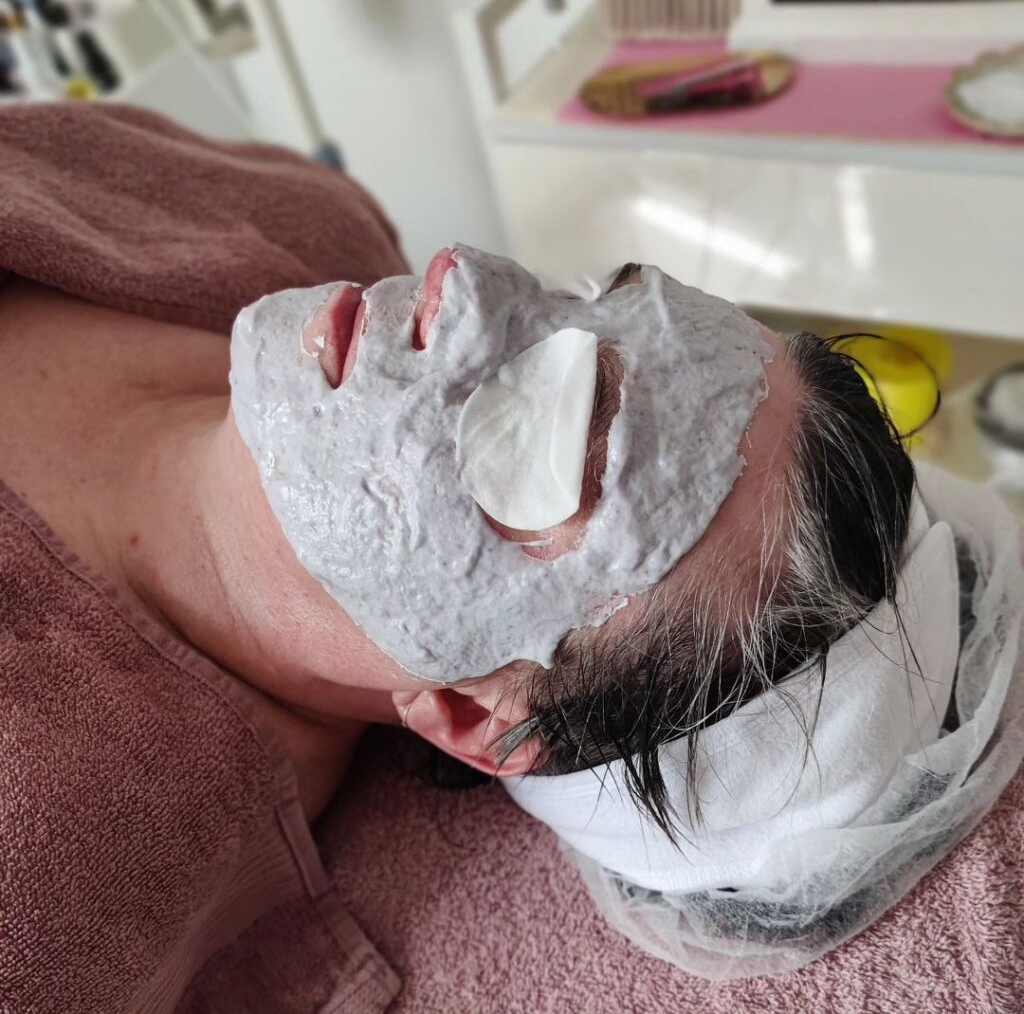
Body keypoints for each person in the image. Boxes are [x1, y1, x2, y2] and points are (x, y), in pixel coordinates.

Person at [2, 104, 1020, 1011]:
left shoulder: (44, 872)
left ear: (474, 720)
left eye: (551, 430)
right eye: (597, 294)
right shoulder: (304, 216)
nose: (465, 276)